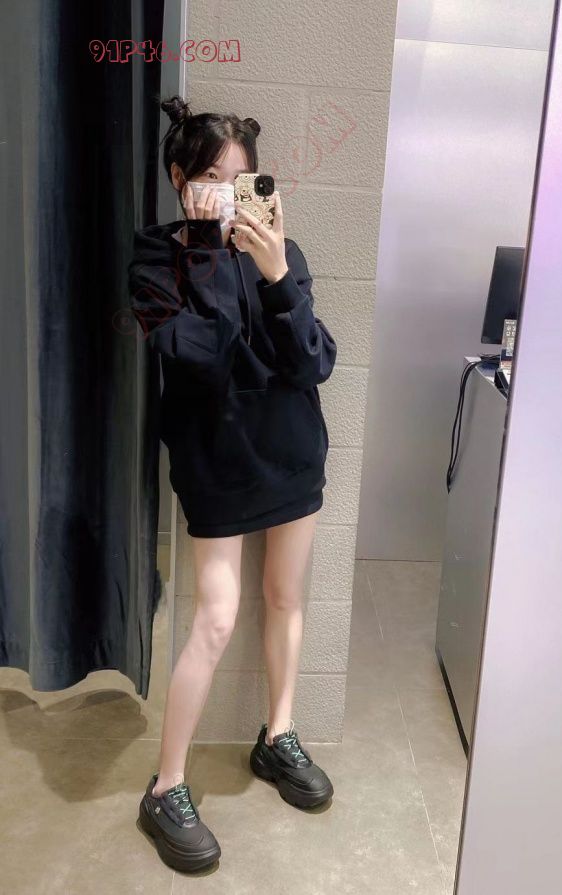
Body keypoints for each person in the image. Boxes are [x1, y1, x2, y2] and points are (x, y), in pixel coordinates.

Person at [128, 95, 337, 873]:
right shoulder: (156, 263)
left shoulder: (283, 252)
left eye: (239, 178)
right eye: (210, 177)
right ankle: (165, 786)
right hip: (216, 461)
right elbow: (204, 359)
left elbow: (312, 361)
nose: (225, 192)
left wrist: (277, 273)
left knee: (285, 596)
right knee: (217, 617)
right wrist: (214, 255)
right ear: (179, 180)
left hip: (292, 452)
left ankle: (277, 733)